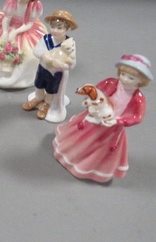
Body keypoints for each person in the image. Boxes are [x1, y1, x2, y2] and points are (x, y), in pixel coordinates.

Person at [53, 55, 152, 183]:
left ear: (141, 81)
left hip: (111, 127)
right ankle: (70, 155)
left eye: (131, 78)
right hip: (94, 116)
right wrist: (91, 104)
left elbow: (137, 117)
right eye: (123, 74)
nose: (124, 79)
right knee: (80, 139)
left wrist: (118, 121)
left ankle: (87, 165)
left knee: (97, 146)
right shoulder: (110, 83)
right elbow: (94, 92)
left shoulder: (138, 99)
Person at [22, 10, 78, 122]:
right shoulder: (46, 39)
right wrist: (44, 55)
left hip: (55, 73)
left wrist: (64, 65)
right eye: (53, 27)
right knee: (38, 84)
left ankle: (46, 104)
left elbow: (72, 62)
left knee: (51, 90)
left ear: (68, 29)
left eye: (59, 28)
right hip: (43, 68)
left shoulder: (69, 44)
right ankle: (38, 99)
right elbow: (36, 50)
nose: (54, 30)